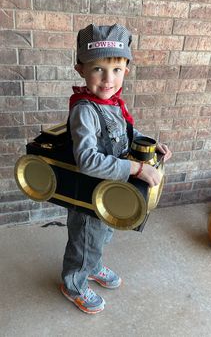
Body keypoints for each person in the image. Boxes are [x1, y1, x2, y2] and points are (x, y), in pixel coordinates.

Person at [61, 23, 172, 314]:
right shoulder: (85, 110)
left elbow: (123, 133)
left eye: (116, 70)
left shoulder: (112, 103)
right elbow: (87, 160)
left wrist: (150, 145)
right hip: (88, 195)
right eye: (98, 69)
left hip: (108, 191)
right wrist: (135, 169)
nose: (108, 79)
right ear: (80, 69)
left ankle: (94, 266)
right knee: (86, 239)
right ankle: (73, 283)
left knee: (103, 234)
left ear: (126, 70)